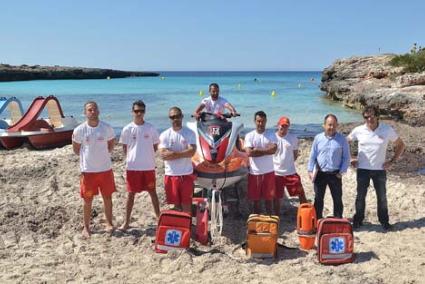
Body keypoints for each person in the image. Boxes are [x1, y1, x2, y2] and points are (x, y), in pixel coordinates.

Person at [348, 106, 405, 231]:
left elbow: (400, 145)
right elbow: (345, 142)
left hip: (380, 170)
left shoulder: (386, 129)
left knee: (382, 197)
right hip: (362, 169)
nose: (369, 119)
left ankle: (384, 222)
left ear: (377, 116)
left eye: (372, 116)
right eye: (366, 117)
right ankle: (358, 220)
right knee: (360, 196)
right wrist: (351, 158)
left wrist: (392, 161)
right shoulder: (358, 130)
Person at [72, 101, 116, 238]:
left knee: (107, 197)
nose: (92, 111)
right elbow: (76, 149)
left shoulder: (106, 128)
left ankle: (109, 223)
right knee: (87, 200)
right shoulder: (79, 130)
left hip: (105, 169)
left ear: (98, 111)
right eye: (89, 110)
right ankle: (86, 227)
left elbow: (111, 144)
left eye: (94, 109)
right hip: (88, 171)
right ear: (85, 113)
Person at [119, 100, 161, 231]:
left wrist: (145, 156)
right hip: (133, 167)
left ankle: (159, 219)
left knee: (153, 192)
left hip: (148, 166)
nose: (139, 113)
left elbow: (155, 146)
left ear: (145, 112)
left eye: (141, 111)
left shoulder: (151, 128)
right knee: (131, 194)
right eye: (136, 111)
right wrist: (133, 157)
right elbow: (125, 148)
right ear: (132, 112)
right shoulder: (127, 128)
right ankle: (126, 222)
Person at [307, 114, 350, 219]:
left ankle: (338, 220)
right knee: (318, 198)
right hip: (320, 173)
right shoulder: (318, 138)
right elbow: (313, 155)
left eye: (334, 125)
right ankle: (317, 221)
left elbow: (346, 158)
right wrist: (309, 170)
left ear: (337, 125)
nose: (331, 127)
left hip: (335, 174)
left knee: (337, 199)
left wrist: (341, 172)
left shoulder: (342, 139)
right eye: (329, 125)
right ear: (324, 125)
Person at [159, 107, 196, 213]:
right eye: (172, 117)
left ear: (182, 116)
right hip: (171, 174)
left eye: (178, 116)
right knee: (175, 205)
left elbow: (192, 152)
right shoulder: (165, 135)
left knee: (186, 204)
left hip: (186, 174)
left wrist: (174, 154)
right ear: (169, 118)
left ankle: (187, 225)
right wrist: (183, 153)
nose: (175, 119)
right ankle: (178, 226)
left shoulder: (189, 133)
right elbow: (163, 155)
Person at [244, 111, 278, 215]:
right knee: (256, 200)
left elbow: (273, 150)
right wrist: (265, 151)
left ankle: (270, 219)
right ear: (255, 121)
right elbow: (249, 152)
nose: (260, 123)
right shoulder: (249, 135)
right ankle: (257, 220)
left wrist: (257, 150)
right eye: (258, 121)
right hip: (255, 172)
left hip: (269, 171)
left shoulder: (271, 134)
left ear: (266, 121)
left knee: (269, 199)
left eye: (262, 121)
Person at [273, 116, 307, 216]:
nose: (283, 128)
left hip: (290, 172)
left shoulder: (293, 138)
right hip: (276, 172)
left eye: (286, 126)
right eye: (282, 126)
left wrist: (288, 163)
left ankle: (305, 214)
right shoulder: (272, 138)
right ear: (278, 125)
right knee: (277, 197)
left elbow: (295, 154)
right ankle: (276, 216)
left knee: (300, 193)